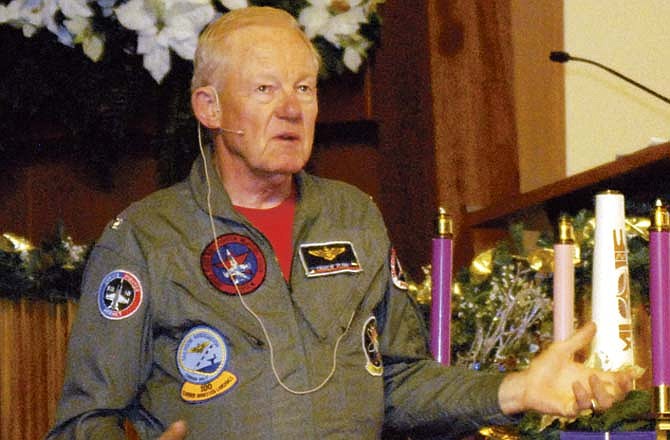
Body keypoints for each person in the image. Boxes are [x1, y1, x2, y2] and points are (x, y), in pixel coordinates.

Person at [47, 6, 635, 440]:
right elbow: (83, 420)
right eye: (264, 89)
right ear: (209, 108)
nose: (292, 108)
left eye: (304, 87)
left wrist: (517, 390)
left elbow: (398, 386)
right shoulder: (147, 237)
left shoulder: (353, 216)